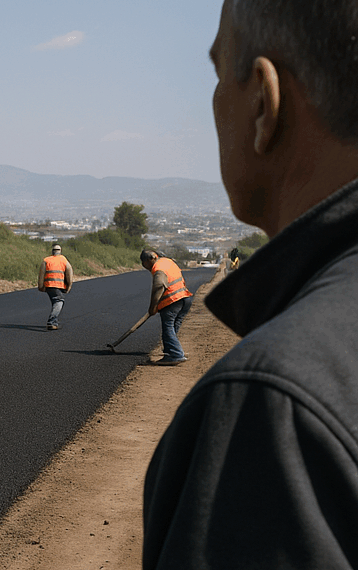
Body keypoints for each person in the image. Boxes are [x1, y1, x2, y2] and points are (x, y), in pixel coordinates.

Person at [143, 1, 358, 567]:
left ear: (264, 102)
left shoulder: (271, 406)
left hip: (176, 304)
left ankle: (174, 354)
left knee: (170, 332)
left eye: (218, 75)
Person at [140, 250, 192, 365]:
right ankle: (170, 351)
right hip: (185, 298)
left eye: (145, 265)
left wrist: (153, 307)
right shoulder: (168, 261)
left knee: (168, 327)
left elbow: (159, 286)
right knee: (173, 327)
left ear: (150, 260)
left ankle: (176, 354)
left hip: (173, 301)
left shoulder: (158, 269)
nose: (147, 268)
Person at [37, 244, 73, 330]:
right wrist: (69, 286)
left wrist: (41, 286)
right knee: (59, 301)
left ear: (52, 251)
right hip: (59, 286)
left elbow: (41, 275)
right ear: (60, 251)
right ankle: (52, 321)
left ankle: (55, 322)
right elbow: (69, 274)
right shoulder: (64, 260)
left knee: (54, 302)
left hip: (49, 286)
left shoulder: (46, 260)